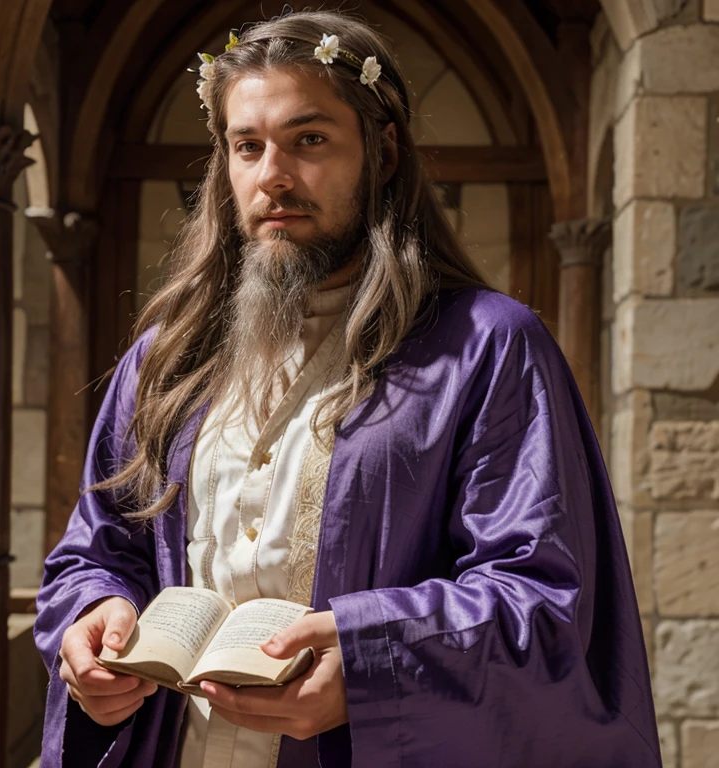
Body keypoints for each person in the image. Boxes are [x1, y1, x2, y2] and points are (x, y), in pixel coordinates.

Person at [35, 8, 661, 768]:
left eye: (310, 140)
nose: (273, 175)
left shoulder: (489, 348)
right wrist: (92, 617)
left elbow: (539, 593)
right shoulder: (164, 360)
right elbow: (95, 550)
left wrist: (370, 663)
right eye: (248, 147)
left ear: (383, 150)